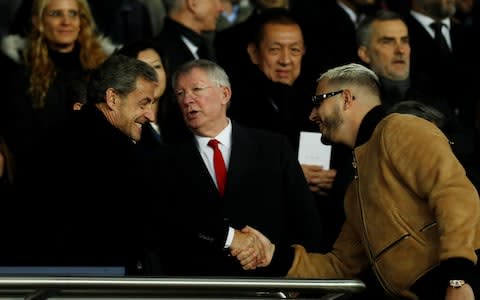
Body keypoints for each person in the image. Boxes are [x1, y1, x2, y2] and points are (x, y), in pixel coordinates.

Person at [234, 63, 480, 300]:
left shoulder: (400, 127)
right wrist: (273, 256)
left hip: (456, 284)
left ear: (346, 98)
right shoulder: (356, 186)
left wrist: (458, 278)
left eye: (318, 102)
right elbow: (341, 265)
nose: (312, 115)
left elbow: (455, 195)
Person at [147, 59, 323, 276]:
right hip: (198, 285)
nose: (187, 100)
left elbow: (306, 221)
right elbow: (168, 225)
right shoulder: (165, 160)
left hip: (267, 283)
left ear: (225, 94)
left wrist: (294, 273)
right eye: (180, 94)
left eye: (196, 89)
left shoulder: (273, 148)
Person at [10, 54, 160, 274]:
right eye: (143, 103)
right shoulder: (117, 152)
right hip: (95, 281)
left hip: (44, 277)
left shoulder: (54, 133)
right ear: (113, 98)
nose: (150, 115)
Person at [0, 0, 116, 185]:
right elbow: (21, 143)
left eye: (73, 14)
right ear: (38, 22)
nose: (66, 21)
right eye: (56, 14)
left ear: (81, 21)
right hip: (42, 181)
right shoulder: (20, 78)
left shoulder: (104, 70)